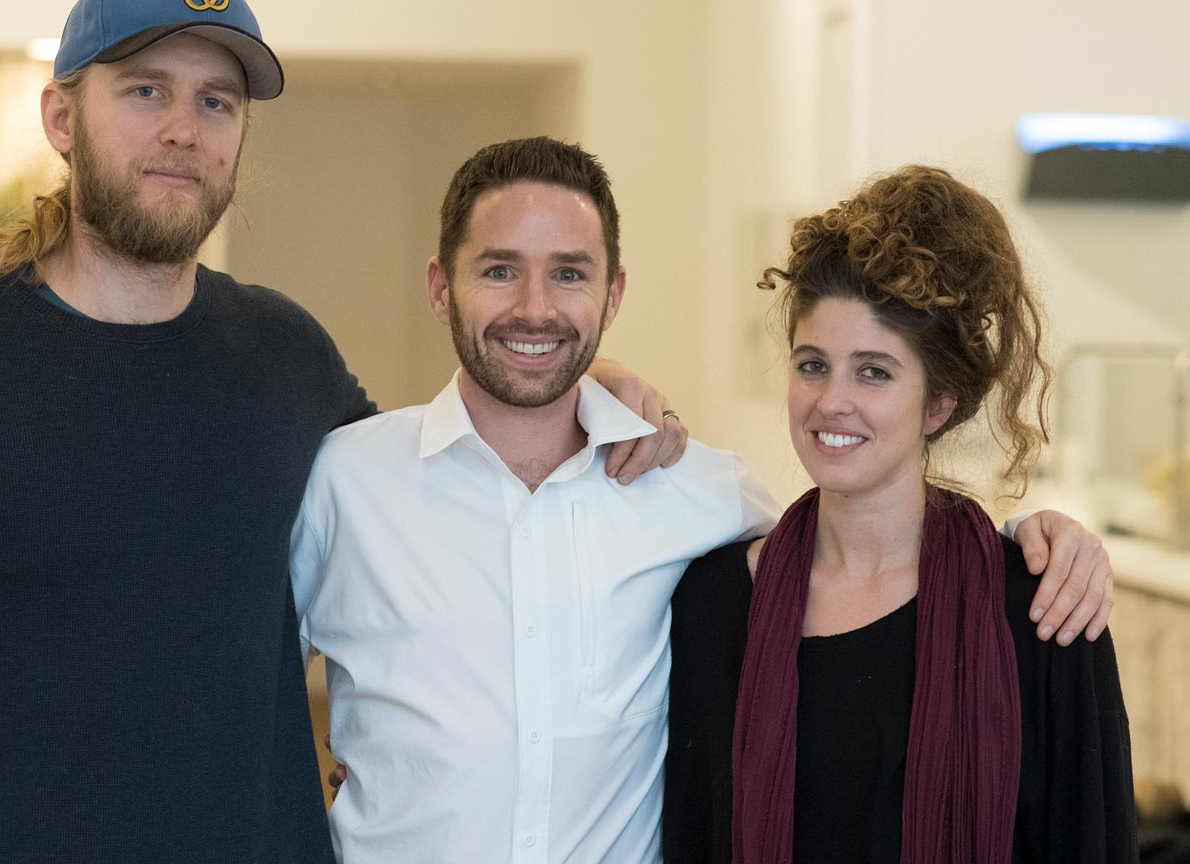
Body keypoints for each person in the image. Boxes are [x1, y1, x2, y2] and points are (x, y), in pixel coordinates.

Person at [0, 0, 683, 864]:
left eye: (215, 101)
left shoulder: (287, 361)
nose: (184, 128)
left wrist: (583, 387)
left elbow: (437, 500)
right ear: (61, 116)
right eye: (147, 90)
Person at [284, 142, 1113, 863]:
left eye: (568, 274)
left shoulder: (703, 503)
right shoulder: (346, 483)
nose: (534, 307)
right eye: (500, 269)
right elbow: (235, 699)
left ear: (611, 297)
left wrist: (1035, 537)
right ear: (440, 286)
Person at [662, 166, 1136, 863]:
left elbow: (1093, 843)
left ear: (939, 404)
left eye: (874, 371)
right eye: (812, 364)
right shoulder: (712, 604)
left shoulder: (1043, 613)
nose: (831, 403)